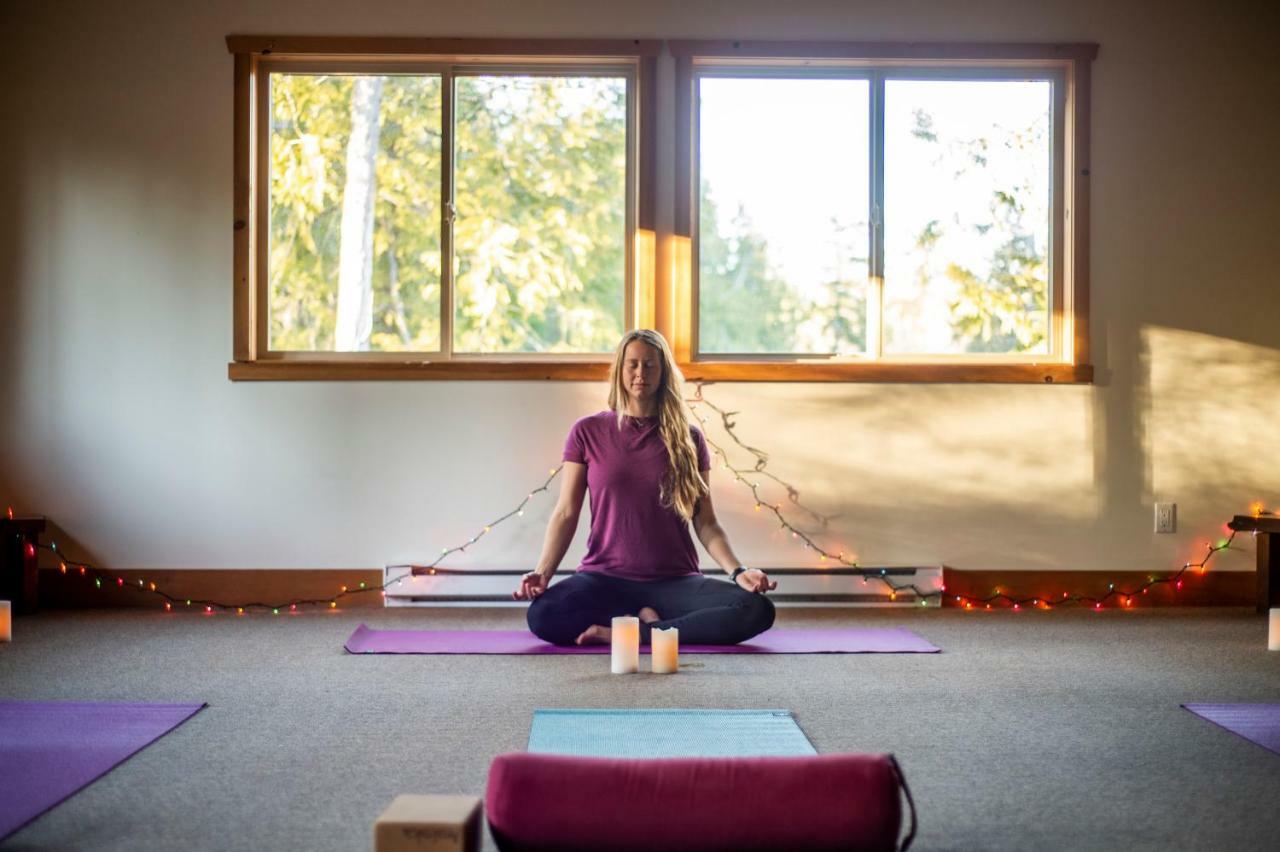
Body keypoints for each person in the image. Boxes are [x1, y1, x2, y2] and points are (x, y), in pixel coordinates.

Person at [514, 329, 777, 646]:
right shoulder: (587, 431)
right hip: (605, 579)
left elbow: (706, 522)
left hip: (675, 582)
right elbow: (567, 511)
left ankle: (634, 632)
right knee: (543, 616)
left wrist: (738, 572)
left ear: (664, 372)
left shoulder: (689, 438)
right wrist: (543, 573)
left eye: (650, 365)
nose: (641, 374)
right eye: (633, 364)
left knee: (755, 610)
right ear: (620, 370)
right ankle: (654, 623)